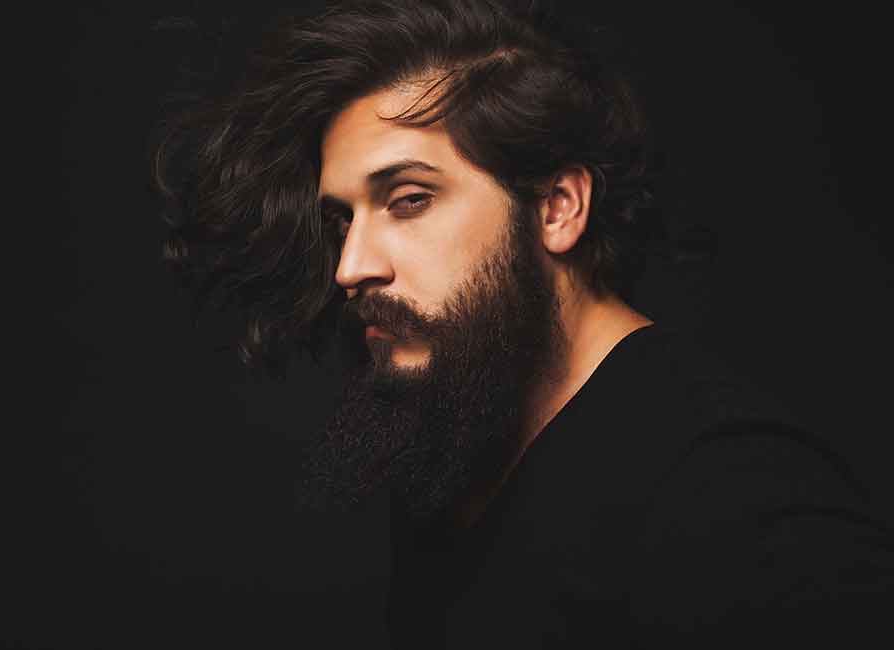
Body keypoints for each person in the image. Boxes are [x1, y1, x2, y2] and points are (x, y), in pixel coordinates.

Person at [153, 1, 892, 646]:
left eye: (408, 200)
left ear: (557, 207)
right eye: (342, 220)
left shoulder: (727, 493)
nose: (351, 266)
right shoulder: (457, 434)